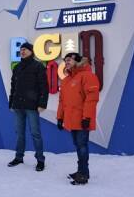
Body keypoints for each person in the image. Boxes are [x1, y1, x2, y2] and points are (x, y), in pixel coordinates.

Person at [57, 53, 100, 185]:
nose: (66, 62)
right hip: (71, 120)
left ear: (78, 60)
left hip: (82, 119)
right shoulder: (66, 80)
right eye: (65, 60)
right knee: (78, 146)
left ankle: (83, 174)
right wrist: (60, 117)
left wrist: (87, 117)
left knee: (82, 146)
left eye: (69, 59)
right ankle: (81, 171)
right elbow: (62, 101)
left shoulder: (88, 76)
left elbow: (91, 99)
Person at [8, 42, 49, 171]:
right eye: (21, 50)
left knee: (35, 133)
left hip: (32, 106)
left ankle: (40, 160)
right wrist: (11, 103)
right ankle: (19, 157)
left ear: (31, 51)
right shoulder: (17, 67)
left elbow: (44, 86)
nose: (22, 51)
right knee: (19, 133)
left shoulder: (38, 66)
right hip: (18, 105)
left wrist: (42, 103)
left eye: (25, 49)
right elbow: (13, 87)